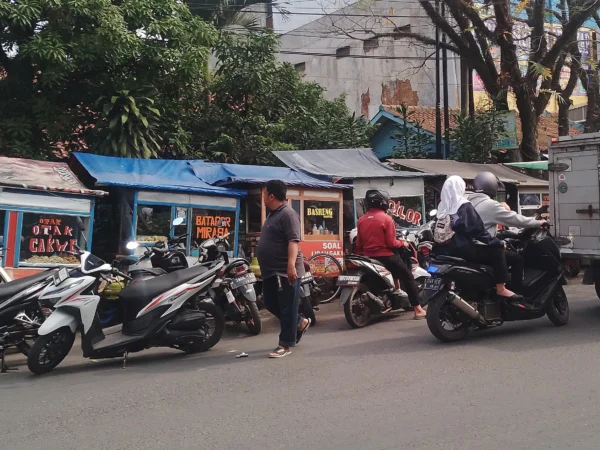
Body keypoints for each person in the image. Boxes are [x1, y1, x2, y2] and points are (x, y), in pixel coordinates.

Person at [434, 176, 523, 302]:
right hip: (463, 249)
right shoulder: (463, 205)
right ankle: (501, 288)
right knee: (496, 252)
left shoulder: (443, 206)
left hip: (445, 250)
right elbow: (477, 230)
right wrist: (497, 242)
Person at [256, 180, 311, 358]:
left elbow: (293, 241)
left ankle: (284, 345)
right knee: (270, 302)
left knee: (287, 308)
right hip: (271, 271)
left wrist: (290, 266)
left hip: (284, 271)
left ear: (271, 196)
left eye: (265, 194)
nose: (263, 197)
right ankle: (299, 322)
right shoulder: (273, 215)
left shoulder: (288, 214)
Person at [355, 188, 427, 319]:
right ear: (382, 203)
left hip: (367, 257)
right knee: (408, 276)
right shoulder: (387, 219)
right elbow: (391, 243)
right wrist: (403, 243)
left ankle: (396, 290)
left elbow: (359, 244)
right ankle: (418, 309)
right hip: (385, 256)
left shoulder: (361, 220)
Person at [467, 172, 546, 291]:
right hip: (483, 247)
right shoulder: (490, 205)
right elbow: (514, 219)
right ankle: (516, 293)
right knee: (517, 259)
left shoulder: (468, 202)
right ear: (492, 186)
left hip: (468, 247)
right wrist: (537, 222)